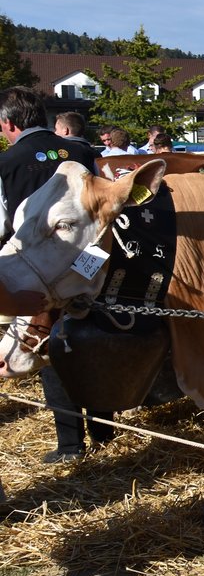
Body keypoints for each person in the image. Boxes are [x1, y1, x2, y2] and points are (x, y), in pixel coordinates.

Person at [0, 87, 110, 464]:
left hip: (34, 272)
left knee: (47, 347)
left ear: (8, 123)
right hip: (87, 262)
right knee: (93, 334)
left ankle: (70, 444)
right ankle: (104, 427)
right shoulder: (81, 150)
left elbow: (1, 224)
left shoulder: (6, 162)